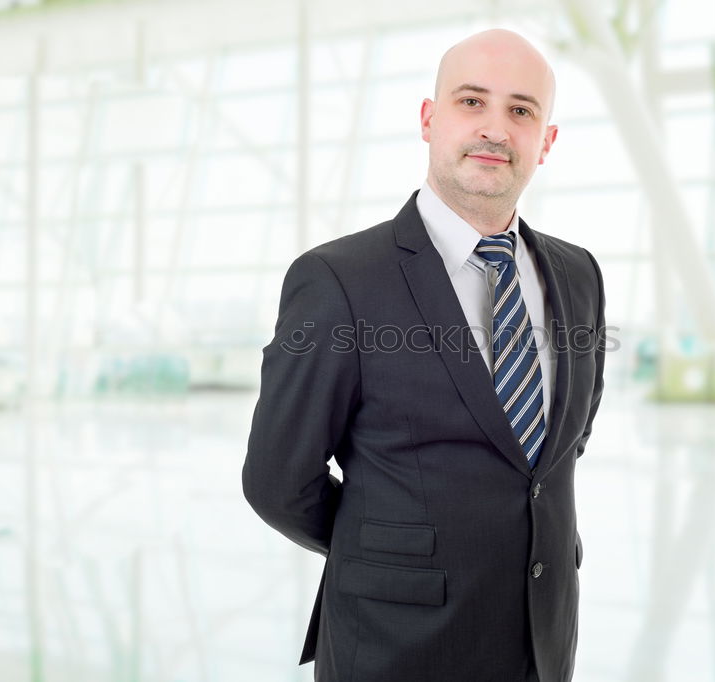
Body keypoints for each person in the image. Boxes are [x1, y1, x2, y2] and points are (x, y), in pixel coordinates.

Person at [243, 28, 606, 682]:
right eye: (472, 102)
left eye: (521, 111)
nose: (495, 128)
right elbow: (277, 481)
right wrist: (385, 549)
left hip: (542, 644)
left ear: (546, 142)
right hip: (396, 647)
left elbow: (563, 447)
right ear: (429, 119)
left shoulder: (579, 275)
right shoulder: (339, 280)